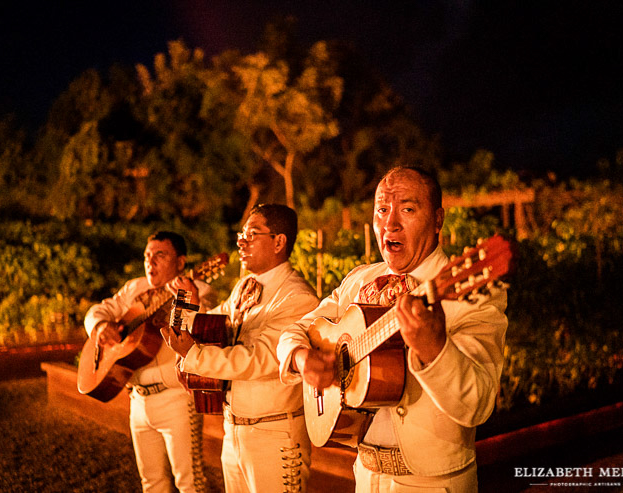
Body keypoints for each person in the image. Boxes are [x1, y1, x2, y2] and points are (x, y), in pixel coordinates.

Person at [277, 166, 508, 492]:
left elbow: (478, 404)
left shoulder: (468, 291)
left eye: (408, 210)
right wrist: (301, 358)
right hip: (365, 474)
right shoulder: (358, 281)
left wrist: (436, 349)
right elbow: (294, 332)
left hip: (432, 484)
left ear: (438, 219)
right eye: (382, 210)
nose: (391, 223)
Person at [165, 204, 320, 493]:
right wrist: (189, 304)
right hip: (234, 430)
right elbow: (215, 327)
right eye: (241, 234)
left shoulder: (297, 297)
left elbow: (260, 359)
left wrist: (194, 356)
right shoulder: (246, 286)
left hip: (274, 436)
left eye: (251, 234)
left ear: (279, 241)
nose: (241, 241)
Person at [84, 231, 216, 493]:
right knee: (152, 484)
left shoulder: (199, 290)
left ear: (181, 262)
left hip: (176, 400)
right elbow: (99, 310)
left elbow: (203, 332)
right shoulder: (135, 288)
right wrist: (99, 327)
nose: (150, 262)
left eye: (160, 255)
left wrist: (191, 302)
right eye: (147, 256)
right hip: (138, 401)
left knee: (191, 484)